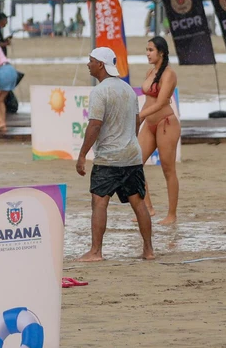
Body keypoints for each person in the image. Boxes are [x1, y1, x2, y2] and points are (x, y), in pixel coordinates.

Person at [77, 48, 153, 262]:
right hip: (131, 156)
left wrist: (82, 154)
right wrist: (129, 141)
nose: (88, 64)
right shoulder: (128, 90)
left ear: (100, 65)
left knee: (99, 202)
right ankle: (148, 250)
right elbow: (137, 121)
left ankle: (96, 252)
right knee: (138, 202)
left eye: (91, 61)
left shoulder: (100, 92)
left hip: (108, 158)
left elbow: (94, 125)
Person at [137, 37, 180, 225]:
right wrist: (140, 119)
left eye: (151, 50)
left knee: (168, 169)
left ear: (161, 52)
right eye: (147, 50)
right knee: (134, 164)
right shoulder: (150, 72)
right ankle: (148, 207)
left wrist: (141, 115)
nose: (147, 53)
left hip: (166, 123)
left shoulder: (169, 74)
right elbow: (148, 100)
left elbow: (162, 102)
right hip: (149, 125)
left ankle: (172, 214)